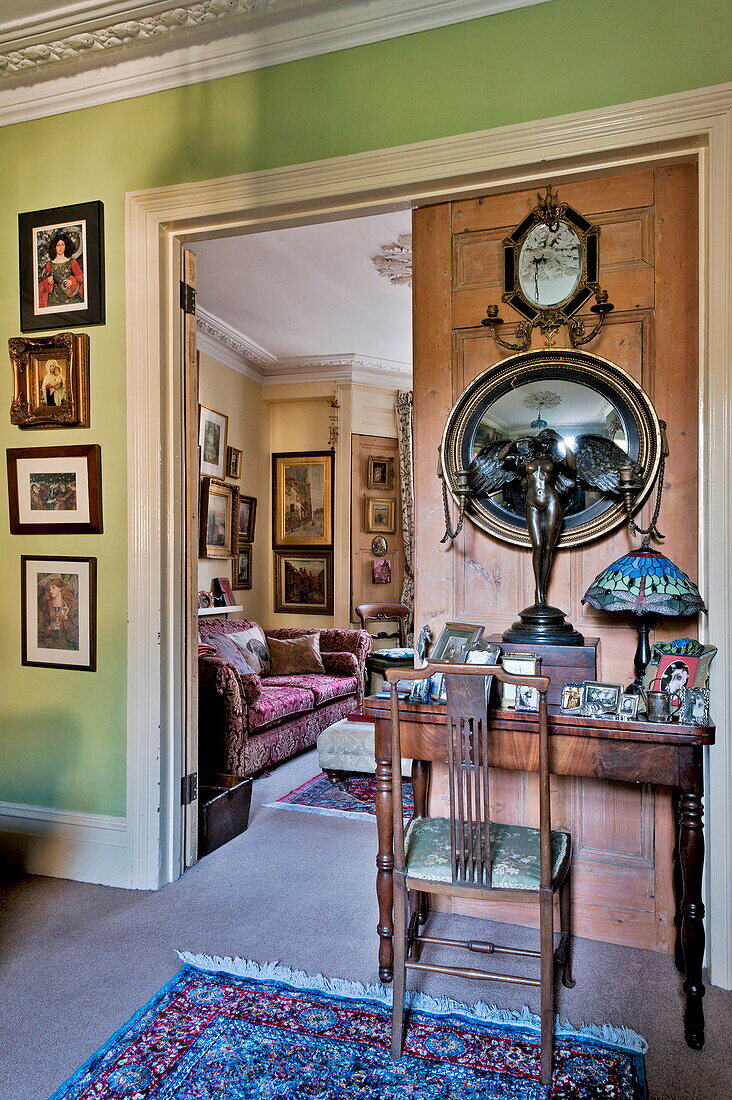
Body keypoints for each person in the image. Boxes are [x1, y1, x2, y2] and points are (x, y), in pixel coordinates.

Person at [37, 232, 84, 309]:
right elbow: (44, 284)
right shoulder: (49, 264)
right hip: (54, 302)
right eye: (58, 245)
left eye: (62, 245)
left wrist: (72, 280)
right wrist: (49, 281)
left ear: (66, 246)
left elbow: (81, 278)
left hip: (71, 299)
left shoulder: (72, 262)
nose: (60, 248)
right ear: (54, 247)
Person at [38, 574, 77, 650]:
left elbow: (74, 634)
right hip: (49, 646)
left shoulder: (69, 605)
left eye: (53, 587)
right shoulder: (45, 606)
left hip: (67, 646)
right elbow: (39, 631)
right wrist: (49, 628)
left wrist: (65, 618)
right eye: (49, 588)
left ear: (60, 588)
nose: (51, 591)